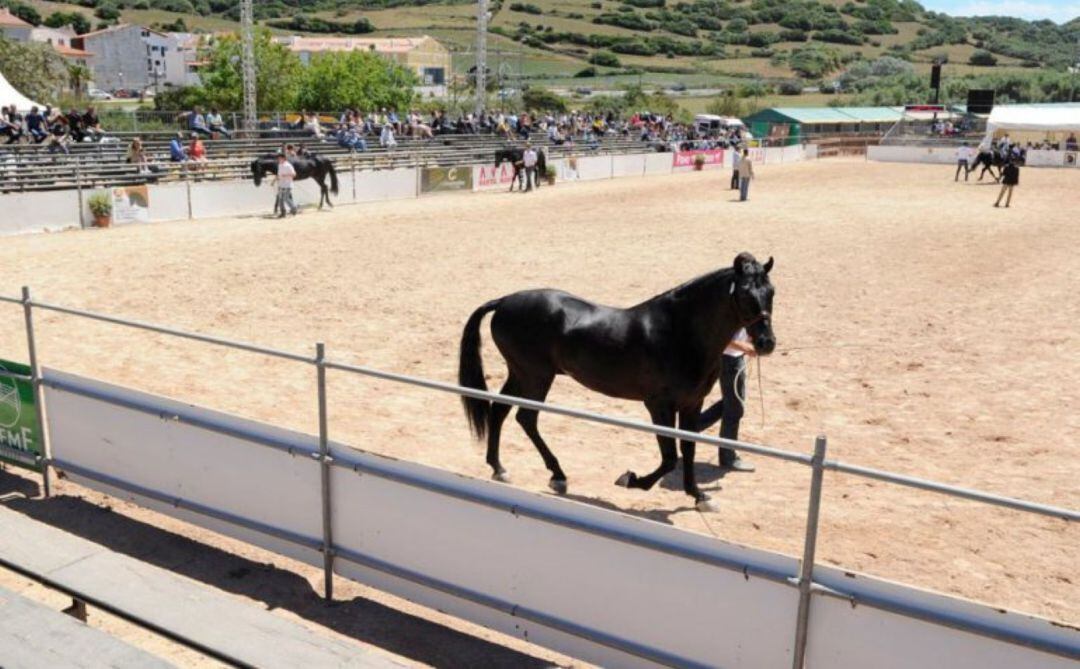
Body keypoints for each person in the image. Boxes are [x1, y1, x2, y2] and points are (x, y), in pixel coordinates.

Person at [273, 152, 298, 218]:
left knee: (286, 198)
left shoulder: (288, 166)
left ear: (283, 158)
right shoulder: (279, 165)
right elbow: (279, 174)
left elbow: (294, 174)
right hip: (281, 184)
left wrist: (286, 175)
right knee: (280, 199)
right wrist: (274, 181)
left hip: (288, 185)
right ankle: (283, 212)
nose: (278, 160)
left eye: (279, 158)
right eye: (278, 158)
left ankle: (294, 208)